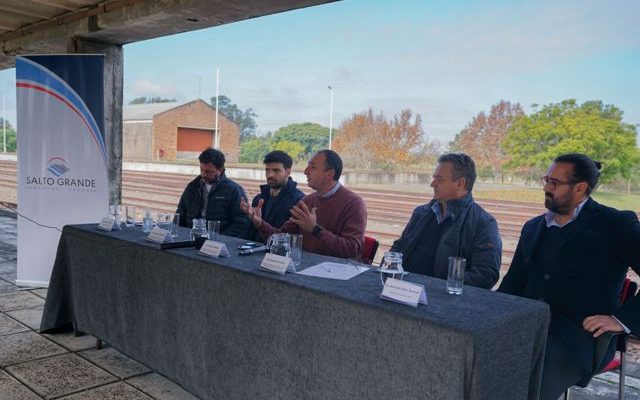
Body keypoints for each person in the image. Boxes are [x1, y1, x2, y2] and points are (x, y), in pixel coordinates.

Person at [498, 153, 640, 400]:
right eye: (546, 180)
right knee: (478, 363)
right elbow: (514, 282)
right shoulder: (533, 227)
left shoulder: (616, 224)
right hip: (526, 326)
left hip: (578, 339)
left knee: (524, 388)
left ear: (580, 188)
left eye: (554, 183)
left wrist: (620, 320)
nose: (546, 187)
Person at [389, 153, 501, 289]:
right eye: (434, 178)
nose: (432, 184)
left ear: (460, 183)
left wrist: (439, 286)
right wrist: (389, 265)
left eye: (439, 180)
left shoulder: (483, 223)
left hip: (441, 299)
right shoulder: (421, 213)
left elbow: (486, 275)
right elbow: (399, 247)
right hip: (400, 289)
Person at [241, 149, 366, 258]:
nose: (305, 171)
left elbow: (352, 249)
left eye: (312, 167)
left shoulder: (354, 203)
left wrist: (315, 230)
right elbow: (281, 237)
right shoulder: (308, 201)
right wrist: (259, 222)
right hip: (305, 268)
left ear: (330, 173)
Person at [176, 148, 248, 237]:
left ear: (220, 170)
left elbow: (241, 223)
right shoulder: (192, 187)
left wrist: (218, 238)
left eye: (209, 171)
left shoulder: (234, 190)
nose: (204, 174)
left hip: (218, 243)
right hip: (191, 239)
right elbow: (180, 215)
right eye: (201, 170)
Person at [246, 150, 305, 242]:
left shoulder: (298, 200)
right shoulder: (258, 199)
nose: (270, 175)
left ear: (288, 172)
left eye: (276, 170)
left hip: (280, 253)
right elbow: (249, 232)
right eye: (267, 170)